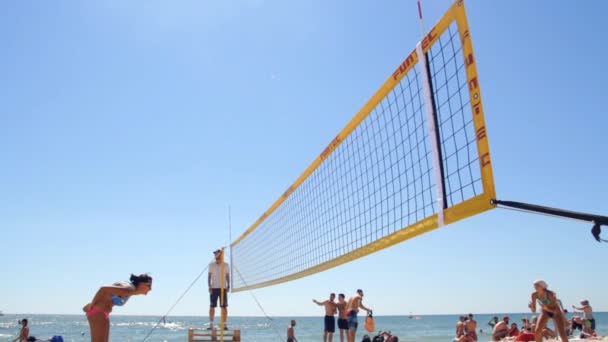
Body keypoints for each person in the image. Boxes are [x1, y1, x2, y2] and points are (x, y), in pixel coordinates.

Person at [83, 274, 152, 342]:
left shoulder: (131, 290)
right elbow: (103, 289)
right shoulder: (129, 288)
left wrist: (92, 304)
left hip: (102, 313)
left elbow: (107, 296)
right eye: (149, 285)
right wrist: (92, 304)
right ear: (142, 284)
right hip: (98, 312)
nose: (150, 289)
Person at [208, 249, 230, 330]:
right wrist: (209, 286)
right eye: (215, 255)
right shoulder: (211, 265)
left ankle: (224, 324)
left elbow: (227, 276)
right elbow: (209, 276)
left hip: (223, 288)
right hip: (214, 288)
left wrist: (228, 286)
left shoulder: (226, 265)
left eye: (217, 254)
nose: (216, 256)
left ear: (221, 255)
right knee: (212, 306)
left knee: (224, 307)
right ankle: (211, 324)